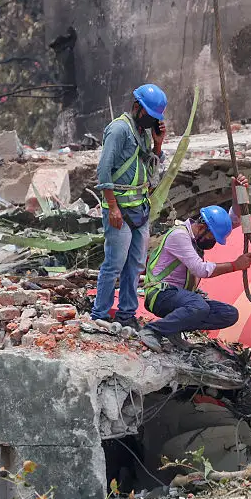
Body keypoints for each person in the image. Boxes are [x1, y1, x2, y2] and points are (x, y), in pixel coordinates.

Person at [137, 174, 251, 351]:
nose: (212, 242)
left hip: (180, 297)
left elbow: (234, 219)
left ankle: (173, 329)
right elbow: (200, 270)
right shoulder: (179, 235)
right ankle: (152, 331)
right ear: (202, 227)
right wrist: (234, 266)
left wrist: (237, 194)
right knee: (198, 305)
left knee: (228, 314)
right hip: (160, 295)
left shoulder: (199, 234)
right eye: (211, 237)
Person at [88, 83, 168, 332]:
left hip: (140, 209)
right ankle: (99, 314)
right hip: (120, 211)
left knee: (134, 266)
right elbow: (104, 170)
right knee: (114, 264)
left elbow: (150, 168)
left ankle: (126, 314)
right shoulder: (119, 129)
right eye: (149, 116)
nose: (152, 121)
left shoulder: (144, 133)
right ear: (137, 107)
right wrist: (112, 207)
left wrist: (158, 145)